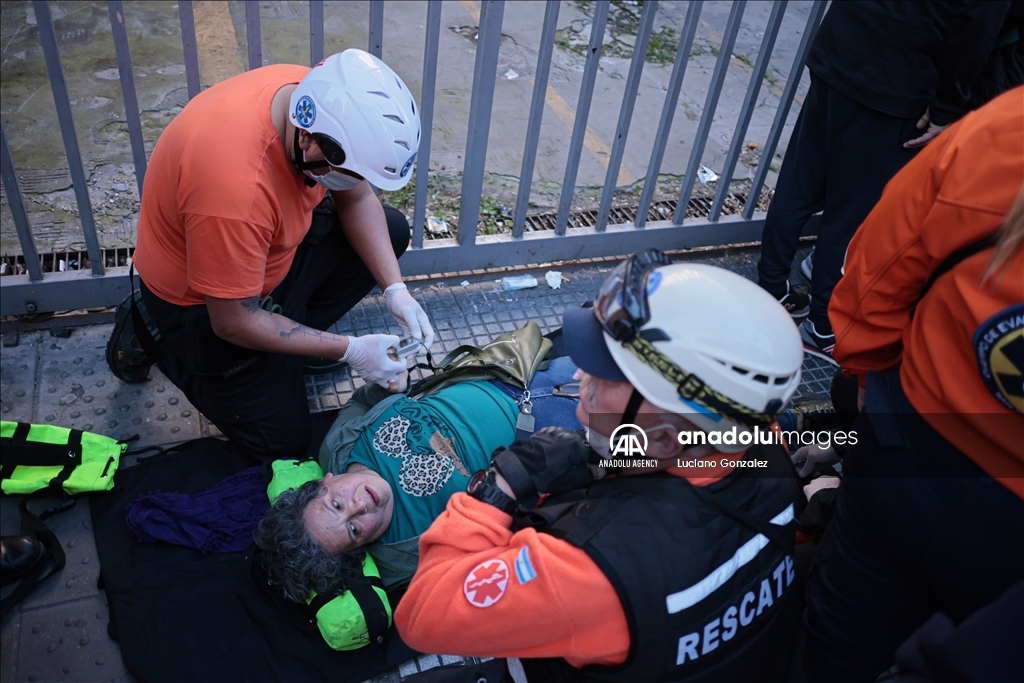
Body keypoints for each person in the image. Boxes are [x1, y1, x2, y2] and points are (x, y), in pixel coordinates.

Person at [395, 251, 807, 682]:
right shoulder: (762, 439)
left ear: (664, 436)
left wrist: (498, 487)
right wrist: (607, 454)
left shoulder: (588, 566)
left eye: (605, 376)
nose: (578, 378)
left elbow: (422, 613)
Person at [801, 86, 1024, 682]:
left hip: (910, 448)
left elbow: (874, 275)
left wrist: (865, 376)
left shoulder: (1001, 135)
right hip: (1006, 539)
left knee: (841, 633)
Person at [131, 49, 433, 461]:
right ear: (307, 138)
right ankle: (152, 334)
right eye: (348, 171)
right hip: (204, 307)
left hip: (266, 260)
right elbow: (234, 321)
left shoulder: (310, 98)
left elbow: (357, 197)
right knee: (284, 445)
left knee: (391, 230)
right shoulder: (233, 189)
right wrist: (350, 350)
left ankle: (282, 349)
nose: (355, 183)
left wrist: (396, 290)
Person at [756, 1, 1011, 363]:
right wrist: (946, 107)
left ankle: (770, 289)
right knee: (851, 216)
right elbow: (974, 30)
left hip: (841, 48)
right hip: (894, 80)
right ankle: (823, 325)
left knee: (800, 182)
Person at [253, 356, 582, 601]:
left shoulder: (339, 446)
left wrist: (389, 383)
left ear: (324, 482)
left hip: (508, 374)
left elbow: (362, 401)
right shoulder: (405, 556)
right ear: (362, 548)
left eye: (336, 503)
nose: (358, 506)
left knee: (618, 350)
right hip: (554, 436)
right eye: (353, 530)